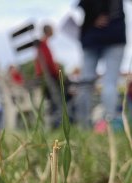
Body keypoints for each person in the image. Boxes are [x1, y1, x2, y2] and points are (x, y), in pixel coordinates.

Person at [75, 0, 126, 129]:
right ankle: (110, 123)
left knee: (86, 82)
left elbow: (83, 5)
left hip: (92, 35)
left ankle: (83, 125)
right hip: (115, 33)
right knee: (110, 82)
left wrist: (92, 18)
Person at [35, 24, 63, 128]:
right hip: (48, 78)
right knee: (63, 94)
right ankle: (59, 121)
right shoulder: (43, 44)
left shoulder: (41, 44)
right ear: (49, 31)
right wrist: (57, 71)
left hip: (44, 77)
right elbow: (48, 63)